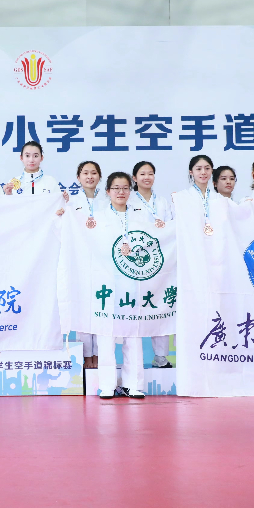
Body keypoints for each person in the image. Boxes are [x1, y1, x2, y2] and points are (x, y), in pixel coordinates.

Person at [96, 172, 146, 400]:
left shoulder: (140, 216)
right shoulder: (98, 217)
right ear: (108, 191)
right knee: (106, 333)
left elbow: (150, 242)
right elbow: (91, 244)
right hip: (106, 281)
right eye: (116, 188)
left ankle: (133, 384)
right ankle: (107, 384)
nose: (120, 192)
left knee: (133, 333)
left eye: (125, 188)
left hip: (133, 282)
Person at [130, 160, 174, 369]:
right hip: (135, 262)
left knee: (160, 306)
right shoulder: (129, 199)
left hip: (160, 261)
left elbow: (172, 226)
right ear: (134, 178)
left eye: (150, 174)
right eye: (142, 174)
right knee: (135, 308)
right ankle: (133, 357)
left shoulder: (163, 201)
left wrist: (164, 227)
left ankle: (161, 357)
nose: (147, 177)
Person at [71, 160, 104, 369]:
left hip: (103, 262)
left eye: (93, 173)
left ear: (99, 177)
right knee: (82, 309)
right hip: (80, 261)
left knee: (102, 308)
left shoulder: (107, 200)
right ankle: (84, 357)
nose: (89, 176)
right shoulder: (70, 201)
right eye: (85, 173)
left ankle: (100, 356)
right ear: (78, 177)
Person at [174, 155, 215, 236]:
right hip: (192, 239)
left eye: (207, 168)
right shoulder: (182, 197)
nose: (203, 172)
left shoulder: (218, 198)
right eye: (198, 169)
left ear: (212, 171)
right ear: (191, 172)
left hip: (215, 240)